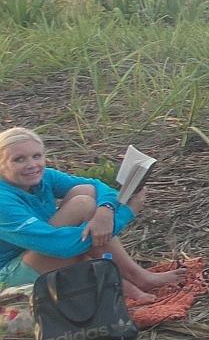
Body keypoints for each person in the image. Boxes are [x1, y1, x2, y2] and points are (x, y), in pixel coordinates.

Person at [0, 128, 186, 301]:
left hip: (37, 251)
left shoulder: (44, 177)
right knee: (82, 211)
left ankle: (128, 282)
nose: (32, 165)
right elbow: (62, 247)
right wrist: (124, 214)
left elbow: (97, 186)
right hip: (8, 279)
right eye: (19, 159)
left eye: (36, 156)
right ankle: (135, 279)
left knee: (85, 193)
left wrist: (105, 210)